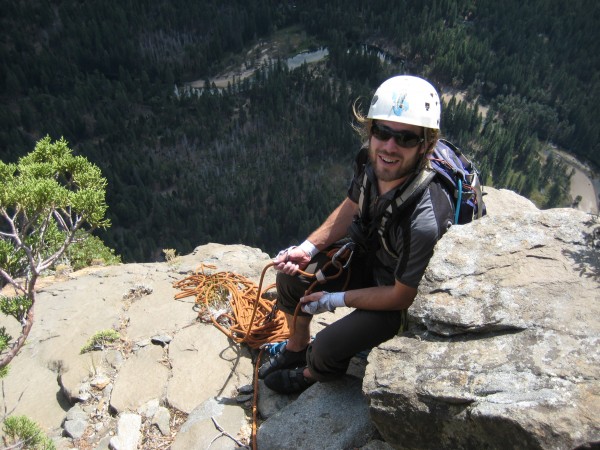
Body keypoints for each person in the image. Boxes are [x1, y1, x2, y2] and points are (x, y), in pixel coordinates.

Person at [260, 75, 455, 394]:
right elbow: (353, 204)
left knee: (326, 347)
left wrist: (334, 300)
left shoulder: (424, 218)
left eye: (405, 138)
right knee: (293, 279)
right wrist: (308, 249)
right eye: (383, 132)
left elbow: (401, 296)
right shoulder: (370, 162)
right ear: (372, 130)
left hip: (401, 299)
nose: (390, 146)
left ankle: (311, 373)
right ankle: (295, 349)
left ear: (425, 144)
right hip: (373, 258)